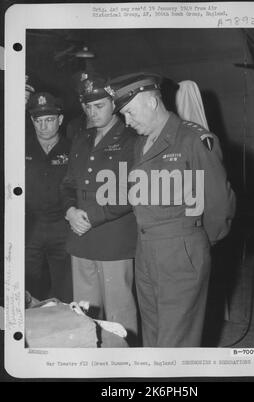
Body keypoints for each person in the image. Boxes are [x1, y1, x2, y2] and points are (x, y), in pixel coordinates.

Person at [105, 72, 236, 347]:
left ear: (152, 102)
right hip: (146, 249)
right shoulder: (142, 142)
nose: (127, 122)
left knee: (176, 342)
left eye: (129, 113)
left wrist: (194, 243)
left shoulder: (194, 140)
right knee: (152, 334)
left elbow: (219, 205)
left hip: (181, 251)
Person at [60, 75, 138, 347]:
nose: (92, 112)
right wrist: (70, 210)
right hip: (80, 237)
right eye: (88, 106)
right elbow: (68, 183)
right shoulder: (81, 139)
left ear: (114, 104)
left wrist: (90, 217)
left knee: (119, 314)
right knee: (84, 312)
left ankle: (123, 366)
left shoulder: (132, 138)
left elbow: (133, 191)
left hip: (113, 238)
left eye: (100, 105)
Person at [26, 92, 72, 302]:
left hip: (62, 226)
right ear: (32, 121)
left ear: (60, 120)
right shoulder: (19, 147)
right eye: (39, 120)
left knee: (65, 287)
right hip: (29, 226)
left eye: (50, 120)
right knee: (28, 286)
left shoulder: (73, 148)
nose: (44, 126)